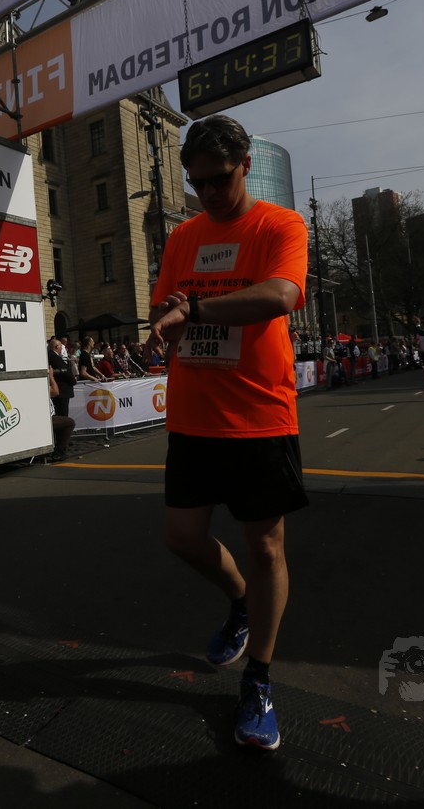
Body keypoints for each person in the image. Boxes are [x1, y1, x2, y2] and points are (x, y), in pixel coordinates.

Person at [146, 115, 309, 752]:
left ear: (245, 164)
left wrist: (195, 308)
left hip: (260, 414)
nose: (209, 193)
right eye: (198, 182)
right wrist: (165, 320)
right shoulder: (184, 236)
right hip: (194, 413)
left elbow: (279, 296)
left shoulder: (280, 225)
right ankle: (240, 601)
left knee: (265, 546)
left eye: (219, 179)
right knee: (182, 538)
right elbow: (166, 304)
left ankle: (259, 680)